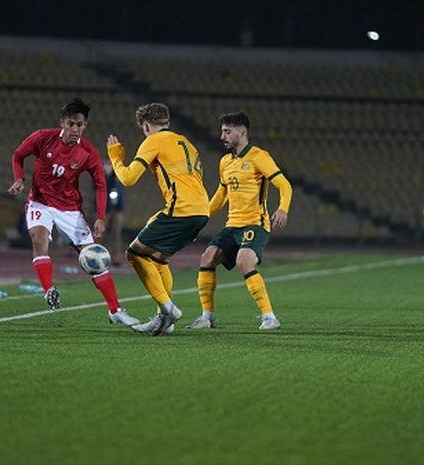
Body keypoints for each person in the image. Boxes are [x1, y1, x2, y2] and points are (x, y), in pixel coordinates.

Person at [7, 98, 139, 328]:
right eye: (71, 124)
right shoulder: (43, 138)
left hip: (70, 209)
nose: (76, 129)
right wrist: (19, 178)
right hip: (40, 203)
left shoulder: (88, 152)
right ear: (62, 123)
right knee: (39, 238)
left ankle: (115, 310)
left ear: (85, 125)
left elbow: (100, 185)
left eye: (80, 125)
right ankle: (49, 290)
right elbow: (18, 155)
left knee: (95, 259)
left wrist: (100, 216)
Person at [106, 102, 210, 336]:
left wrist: (115, 158)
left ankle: (167, 309)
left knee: (134, 253)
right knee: (159, 259)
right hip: (201, 210)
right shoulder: (187, 143)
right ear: (168, 123)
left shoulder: (153, 140)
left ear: (145, 126)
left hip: (181, 209)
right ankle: (166, 322)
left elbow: (128, 178)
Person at [188, 112, 292, 331]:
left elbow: (284, 185)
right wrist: (200, 218)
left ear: (242, 132)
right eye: (222, 131)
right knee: (207, 258)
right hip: (232, 225)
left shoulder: (258, 156)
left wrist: (282, 208)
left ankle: (270, 317)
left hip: (255, 223)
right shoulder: (225, 161)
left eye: (227, 131)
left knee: (244, 261)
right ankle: (207, 317)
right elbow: (220, 195)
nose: (222, 136)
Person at [103, 159, 125, 266]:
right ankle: (91, 254)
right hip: (105, 205)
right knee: (101, 231)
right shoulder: (103, 168)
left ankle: (116, 256)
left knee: (116, 232)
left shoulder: (120, 168)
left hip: (118, 205)